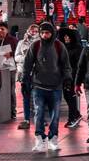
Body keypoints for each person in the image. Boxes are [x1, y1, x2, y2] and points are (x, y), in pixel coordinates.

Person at [21, 21, 72, 152]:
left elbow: (66, 65)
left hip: (55, 86)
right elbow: (27, 64)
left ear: (52, 33)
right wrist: (24, 80)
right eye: (42, 32)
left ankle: (53, 138)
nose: (44, 35)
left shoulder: (59, 46)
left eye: (47, 33)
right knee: (38, 113)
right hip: (38, 86)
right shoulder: (35, 45)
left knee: (55, 114)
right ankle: (39, 138)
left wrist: (67, 79)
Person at [57, 24, 84, 128]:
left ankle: (73, 117)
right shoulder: (63, 47)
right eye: (65, 37)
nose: (66, 38)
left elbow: (79, 64)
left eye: (68, 36)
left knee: (70, 96)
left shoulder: (77, 48)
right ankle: (75, 115)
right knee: (68, 96)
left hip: (73, 76)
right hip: (65, 76)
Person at [13, 24, 39, 130]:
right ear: (28, 31)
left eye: (35, 31)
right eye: (31, 30)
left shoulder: (40, 43)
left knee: (38, 98)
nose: (33, 32)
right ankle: (26, 119)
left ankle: (40, 119)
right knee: (26, 97)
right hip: (24, 73)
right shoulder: (21, 43)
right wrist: (26, 57)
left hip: (37, 74)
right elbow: (16, 57)